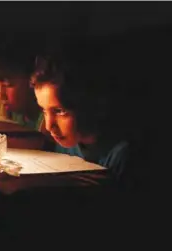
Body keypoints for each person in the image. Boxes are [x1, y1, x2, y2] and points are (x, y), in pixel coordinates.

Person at [30, 44, 139, 185]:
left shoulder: (122, 155)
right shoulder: (66, 144)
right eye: (44, 110)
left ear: (89, 104)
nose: (49, 126)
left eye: (60, 111)